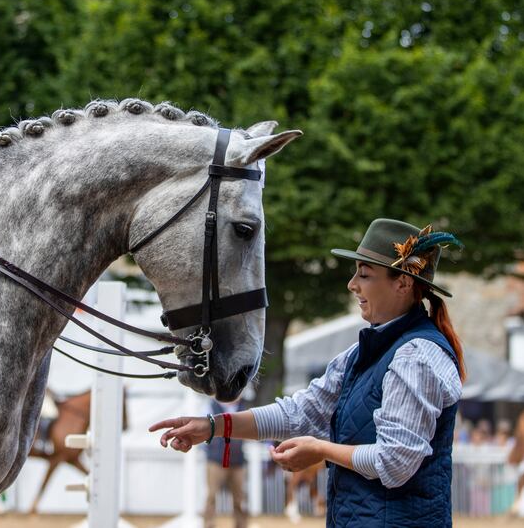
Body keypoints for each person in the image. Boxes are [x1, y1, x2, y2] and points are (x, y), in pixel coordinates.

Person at [151, 219, 466, 527]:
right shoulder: (363, 353)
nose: (352, 284)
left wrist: (319, 450)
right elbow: (300, 413)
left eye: (364, 275)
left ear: (403, 283)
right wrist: (212, 426)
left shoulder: (416, 356)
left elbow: (395, 462)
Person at [203, 397, 248, 528]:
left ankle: (241, 525)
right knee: (211, 496)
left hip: (237, 461)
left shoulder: (243, 407)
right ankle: (209, 524)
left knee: (240, 498)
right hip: (215, 460)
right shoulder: (210, 406)